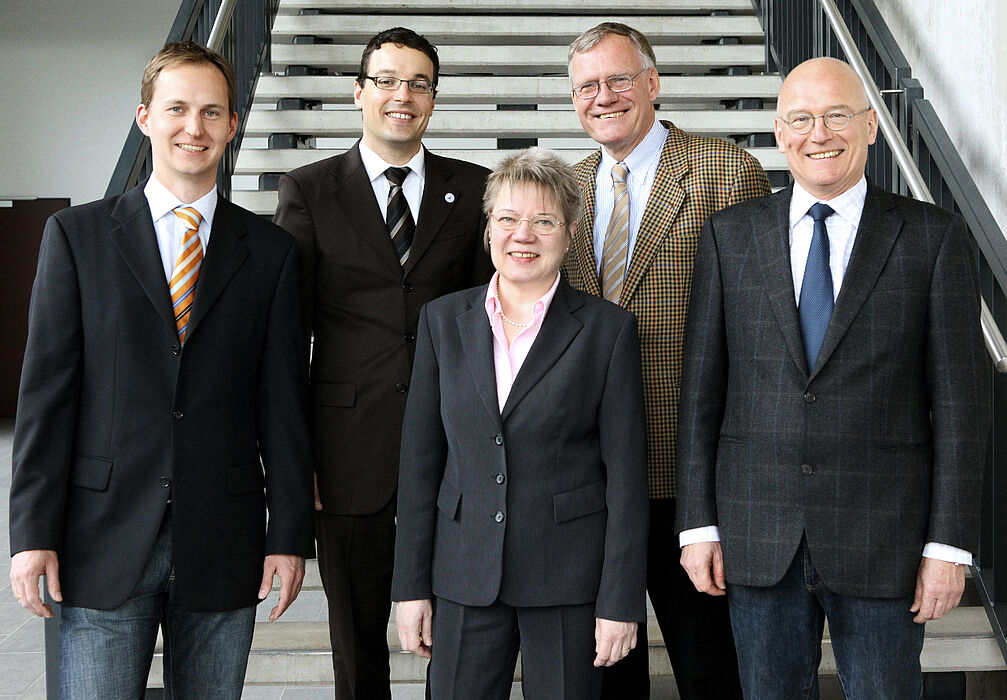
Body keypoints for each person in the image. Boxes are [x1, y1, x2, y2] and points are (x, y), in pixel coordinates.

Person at [8, 41, 314, 698]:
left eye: (210, 113)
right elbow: (46, 399)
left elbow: (283, 406)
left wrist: (290, 535)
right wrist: (30, 533)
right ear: (144, 117)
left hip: (223, 540)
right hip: (99, 539)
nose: (193, 128)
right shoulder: (76, 237)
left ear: (233, 126)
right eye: (177, 108)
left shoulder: (270, 253)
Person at [676, 56, 990, 698]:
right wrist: (698, 524)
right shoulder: (730, 237)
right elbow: (701, 395)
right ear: (780, 131)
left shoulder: (933, 239)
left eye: (837, 115)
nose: (819, 133)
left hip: (887, 541)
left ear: (871, 125)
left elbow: (961, 406)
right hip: (758, 536)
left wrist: (949, 546)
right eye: (802, 118)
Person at [272, 27, 491, 699]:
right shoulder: (308, 188)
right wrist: (295, 457)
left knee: (455, 631)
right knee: (357, 639)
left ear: (432, 97)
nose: (404, 95)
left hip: (457, 445)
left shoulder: (474, 185)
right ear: (359, 92)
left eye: (419, 83)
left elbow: (494, 323)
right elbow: (286, 334)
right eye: (388, 80)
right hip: (346, 448)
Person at [391, 147, 648, 699]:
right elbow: (419, 463)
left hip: (567, 580)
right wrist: (409, 588)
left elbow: (627, 479)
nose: (522, 235)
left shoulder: (607, 331)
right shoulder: (443, 321)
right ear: (488, 230)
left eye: (543, 221)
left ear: (570, 232)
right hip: (463, 575)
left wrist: (620, 602)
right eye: (507, 218)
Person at [563, 21, 770, 699]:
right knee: (608, 676)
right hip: (593, 482)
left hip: (690, 481)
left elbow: (759, 334)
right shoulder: (566, 190)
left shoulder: (722, 171)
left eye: (617, 79)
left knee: (710, 670)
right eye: (586, 86)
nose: (603, 97)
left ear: (651, 83)